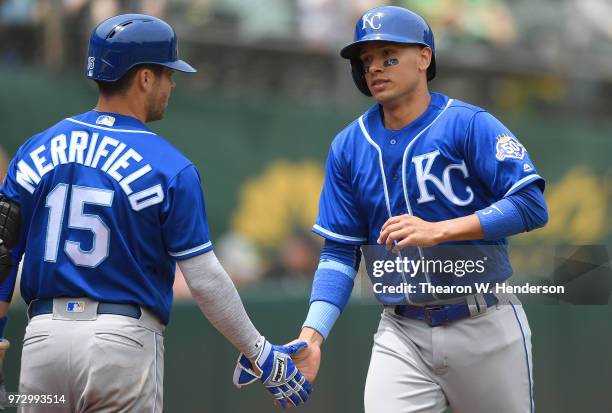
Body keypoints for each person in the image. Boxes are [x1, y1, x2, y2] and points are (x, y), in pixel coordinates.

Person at [0, 14, 310, 412]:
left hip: (43, 340)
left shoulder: (36, 148)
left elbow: (3, 255)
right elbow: (205, 279)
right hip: (121, 342)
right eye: (167, 73)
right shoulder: (169, 165)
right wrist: (259, 351)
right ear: (145, 78)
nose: (172, 83)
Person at [289, 6, 548, 413]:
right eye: (366, 61)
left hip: (484, 322)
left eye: (388, 56)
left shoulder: (468, 124)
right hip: (401, 330)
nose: (374, 68)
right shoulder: (348, 146)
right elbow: (339, 252)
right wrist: (313, 335)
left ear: (424, 57)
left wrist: (441, 229)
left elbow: (531, 206)